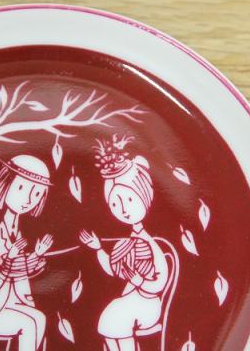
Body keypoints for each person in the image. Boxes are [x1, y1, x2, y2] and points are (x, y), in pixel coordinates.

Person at [79, 135, 169, 351]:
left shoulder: (149, 242)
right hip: (133, 300)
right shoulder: (130, 241)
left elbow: (160, 281)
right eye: (115, 203)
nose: (124, 209)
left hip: (147, 303)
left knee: (114, 319)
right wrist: (98, 249)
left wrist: (138, 280)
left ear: (144, 195)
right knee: (110, 321)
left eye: (129, 199)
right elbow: (114, 270)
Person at [0, 154, 54, 351]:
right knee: (28, 324)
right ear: (4, 184)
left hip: (12, 305)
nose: (28, 200)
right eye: (21, 188)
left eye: (36, 194)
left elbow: (20, 270)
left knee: (39, 318)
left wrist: (37, 254)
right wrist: (9, 258)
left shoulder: (15, 231)